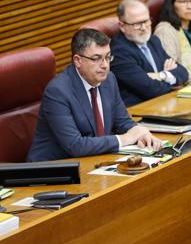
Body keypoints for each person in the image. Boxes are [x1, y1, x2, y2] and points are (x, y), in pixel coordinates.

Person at [27, 28, 162, 162]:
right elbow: (75, 145)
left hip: (94, 161)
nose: (105, 65)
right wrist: (125, 139)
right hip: (53, 172)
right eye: (96, 59)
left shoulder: (108, 79)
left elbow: (122, 121)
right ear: (78, 60)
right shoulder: (58, 91)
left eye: (108, 57)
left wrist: (140, 133)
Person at [110, 0, 189, 106]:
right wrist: (172, 83)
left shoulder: (152, 40)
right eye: (137, 24)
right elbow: (151, 89)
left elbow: (183, 72)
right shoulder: (119, 52)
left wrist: (162, 76)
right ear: (122, 26)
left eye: (146, 21)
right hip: (141, 112)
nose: (144, 28)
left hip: (164, 104)